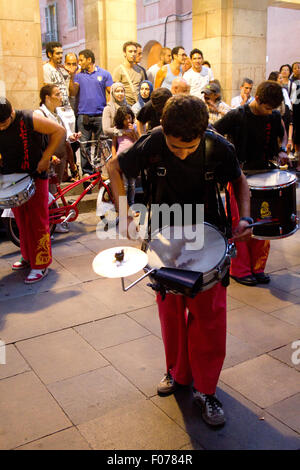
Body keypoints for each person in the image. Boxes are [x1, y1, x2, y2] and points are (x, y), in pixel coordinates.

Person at [107, 94, 252, 427]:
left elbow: (240, 181)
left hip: (209, 240)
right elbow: (114, 167)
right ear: (164, 131)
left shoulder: (219, 147)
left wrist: (244, 218)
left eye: (189, 148)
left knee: (209, 321)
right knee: (171, 317)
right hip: (163, 238)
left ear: (203, 132)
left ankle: (206, 389)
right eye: (175, 147)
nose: (182, 153)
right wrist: (123, 211)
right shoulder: (153, 140)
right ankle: (176, 372)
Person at [214, 80, 287, 286]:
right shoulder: (238, 115)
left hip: (265, 175)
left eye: (273, 108)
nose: (270, 111)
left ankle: (257, 267)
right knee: (240, 224)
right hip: (240, 176)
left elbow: (282, 132)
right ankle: (240, 270)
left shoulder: (273, 116)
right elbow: (214, 131)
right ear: (258, 99)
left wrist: (282, 149)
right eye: (267, 107)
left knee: (263, 222)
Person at [0, 97, 65, 283]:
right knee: (21, 220)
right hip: (12, 178)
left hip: (35, 174)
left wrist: (46, 157)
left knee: (38, 220)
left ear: (12, 113)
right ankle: (28, 257)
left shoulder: (29, 118)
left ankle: (41, 264)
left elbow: (59, 131)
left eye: (4, 123)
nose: (2, 128)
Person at [69, 49, 113, 178]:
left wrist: (108, 110)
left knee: (102, 145)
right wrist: (72, 76)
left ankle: (99, 172)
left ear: (89, 60)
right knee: (84, 146)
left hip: (100, 115)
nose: (79, 63)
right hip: (83, 116)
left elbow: (111, 91)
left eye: (81, 60)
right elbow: (72, 92)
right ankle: (87, 175)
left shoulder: (104, 74)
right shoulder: (78, 75)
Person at [111, 106, 138, 207]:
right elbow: (114, 145)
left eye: (129, 118)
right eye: (125, 119)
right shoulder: (117, 130)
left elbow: (138, 141)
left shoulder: (134, 127)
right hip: (121, 158)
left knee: (132, 185)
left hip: (133, 159)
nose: (128, 121)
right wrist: (114, 158)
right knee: (124, 185)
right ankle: (123, 207)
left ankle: (131, 205)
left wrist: (133, 133)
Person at [112, 41, 146, 106]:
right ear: (125, 53)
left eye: (135, 51)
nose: (133, 54)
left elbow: (143, 88)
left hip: (138, 105)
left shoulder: (140, 71)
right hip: (125, 105)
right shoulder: (118, 70)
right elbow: (115, 92)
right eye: (130, 51)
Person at [268, 71, 293, 154]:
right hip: (272, 119)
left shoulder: (283, 91)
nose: (282, 80)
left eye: (282, 78)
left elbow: (287, 106)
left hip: (282, 118)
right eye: (280, 78)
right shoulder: (270, 92)